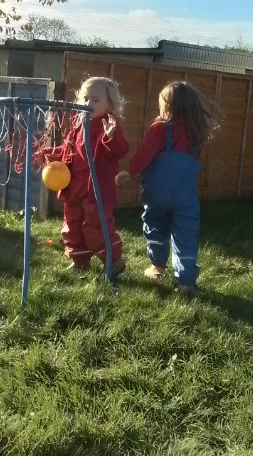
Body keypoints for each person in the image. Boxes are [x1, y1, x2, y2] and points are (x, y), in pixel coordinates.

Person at [117, 81, 217, 295]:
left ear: (168, 106)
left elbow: (145, 153)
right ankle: (185, 282)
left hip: (157, 195)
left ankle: (157, 266)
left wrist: (131, 171)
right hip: (186, 198)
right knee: (186, 235)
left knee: (155, 225)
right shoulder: (196, 133)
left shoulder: (160, 128)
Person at [42, 76, 129, 277]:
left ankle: (113, 260)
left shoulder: (110, 125)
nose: (88, 104)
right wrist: (50, 153)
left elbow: (120, 151)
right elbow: (68, 150)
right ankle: (79, 259)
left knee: (96, 226)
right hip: (74, 185)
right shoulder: (79, 123)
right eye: (85, 98)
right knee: (72, 224)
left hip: (96, 188)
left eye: (96, 100)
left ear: (110, 104)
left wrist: (110, 137)